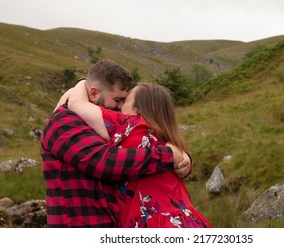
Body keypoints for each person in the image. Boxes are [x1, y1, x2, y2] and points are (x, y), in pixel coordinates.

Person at [41, 60, 191, 227]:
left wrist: (185, 159)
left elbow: (151, 141)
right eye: (117, 100)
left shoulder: (114, 125)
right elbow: (105, 162)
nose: (120, 108)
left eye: (124, 101)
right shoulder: (63, 121)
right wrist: (169, 156)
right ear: (93, 93)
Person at [66, 79, 212, 228]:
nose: (120, 105)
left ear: (138, 109)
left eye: (126, 100)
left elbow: (75, 104)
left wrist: (83, 82)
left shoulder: (130, 124)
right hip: (189, 222)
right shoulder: (167, 138)